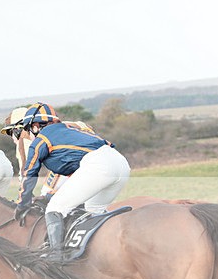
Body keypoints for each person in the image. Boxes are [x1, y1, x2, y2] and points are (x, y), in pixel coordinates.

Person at [15, 103, 131, 260]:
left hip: (99, 164)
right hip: (120, 162)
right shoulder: (72, 131)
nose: (30, 135)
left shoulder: (41, 140)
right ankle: (100, 253)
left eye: (29, 130)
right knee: (92, 210)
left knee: (54, 208)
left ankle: (56, 256)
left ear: (35, 126)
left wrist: (22, 205)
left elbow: (29, 174)